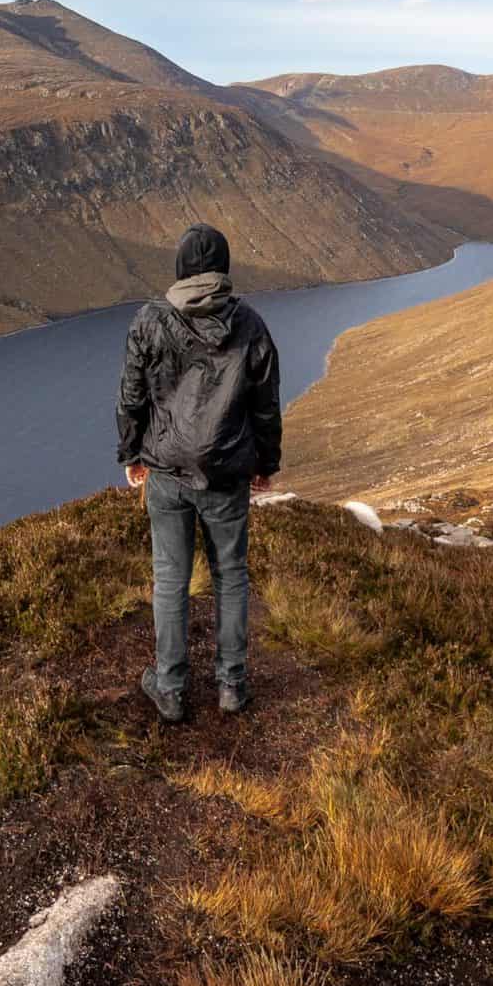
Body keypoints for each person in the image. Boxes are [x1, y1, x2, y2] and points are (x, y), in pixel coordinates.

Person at [116, 223, 281, 723]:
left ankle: (170, 689)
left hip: (166, 471)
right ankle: (231, 686)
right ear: (224, 269)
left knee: (171, 577)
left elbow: (131, 396)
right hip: (227, 474)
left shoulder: (150, 321)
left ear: (181, 268)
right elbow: (265, 406)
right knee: (231, 577)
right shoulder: (249, 325)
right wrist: (266, 464)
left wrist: (132, 455)